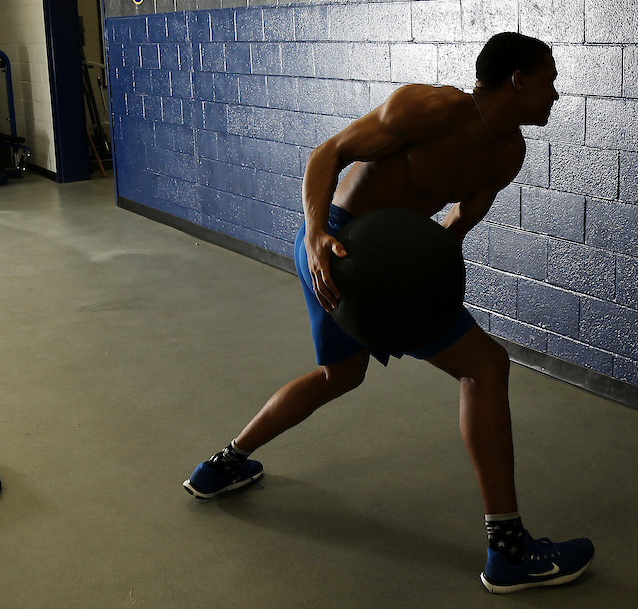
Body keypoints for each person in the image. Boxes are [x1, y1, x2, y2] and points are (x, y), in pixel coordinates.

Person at [184, 32, 594, 594]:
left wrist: (427, 270)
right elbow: (326, 154)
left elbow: (455, 225)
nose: (556, 93)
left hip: (387, 264)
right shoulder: (429, 107)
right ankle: (508, 551)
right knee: (486, 366)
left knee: (341, 374)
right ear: (518, 80)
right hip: (340, 249)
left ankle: (223, 464)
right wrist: (316, 236)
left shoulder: (507, 152)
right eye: (549, 79)